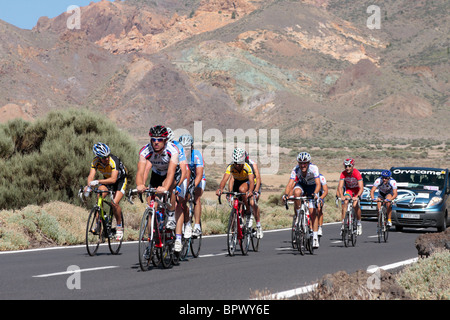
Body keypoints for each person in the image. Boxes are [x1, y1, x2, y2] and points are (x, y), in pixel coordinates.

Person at [135, 125, 184, 252]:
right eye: (153, 139)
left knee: (170, 187)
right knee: (152, 205)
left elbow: (171, 173)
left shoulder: (172, 150)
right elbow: (140, 171)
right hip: (157, 173)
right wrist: (140, 184)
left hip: (171, 173)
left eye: (159, 140)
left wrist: (165, 187)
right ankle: (152, 238)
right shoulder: (145, 150)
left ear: (165, 140)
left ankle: (171, 215)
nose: (156, 142)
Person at [85, 142, 128, 241]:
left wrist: (98, 181)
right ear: (99, 157)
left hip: (120, 180)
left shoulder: (114, 161)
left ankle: (119, 226)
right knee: (99, 197)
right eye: (104, 157)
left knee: (114, 203)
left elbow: (113, 179)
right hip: (107, 180)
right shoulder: (95, 161)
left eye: (107, 156)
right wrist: (89, 185)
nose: (106, 158)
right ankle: (98, 225)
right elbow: (91, 176)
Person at [216, 148, 262, 238]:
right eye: (235, 163)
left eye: (239, 163)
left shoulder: (249, 165)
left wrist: (253, 191)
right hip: (239, 182)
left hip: (250, 182)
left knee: (251, 201)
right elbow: (226, 179)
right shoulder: (231, 166)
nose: (237, 165)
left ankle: (256, 222)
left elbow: (253, 180)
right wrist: (222, 189)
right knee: (235, 203)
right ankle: (238, 223)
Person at [282, 152, 321, 248]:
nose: (303, 165)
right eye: (300, 163)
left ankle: (315, 237)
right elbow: (290, 184)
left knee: (313, 212)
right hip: (302, 185)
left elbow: (318, 184)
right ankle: (299, 215)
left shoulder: (314, 168)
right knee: (297, 193)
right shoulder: (295, 169)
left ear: (308, 163)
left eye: (305, 163)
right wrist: (286, 195)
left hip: (312, 187)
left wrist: (315, 194)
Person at [179, 134, 205, 237]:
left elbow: (199, 174)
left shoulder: (196, 154)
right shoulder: (178, 156)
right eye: (183, 148)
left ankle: (197, 226)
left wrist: (192, 186)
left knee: (196, 197)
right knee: (183, 200)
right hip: (186, 178)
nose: (185, 151)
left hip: (198, 178)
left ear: (191, 147)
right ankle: (187, 222)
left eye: (187, 148)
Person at [337, 158, 364, 235]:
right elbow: (340, 187)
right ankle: (343, 224)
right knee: (345, 202)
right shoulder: (343, 173)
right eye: (346, 166)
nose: (347, 168)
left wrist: (357, 196)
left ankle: (359, 223)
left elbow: (361, 188)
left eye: (349, 166)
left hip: (357, 190)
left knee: (355, 204)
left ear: (352, 166)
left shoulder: (357, 173)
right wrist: (341, 195)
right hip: (349, 189)